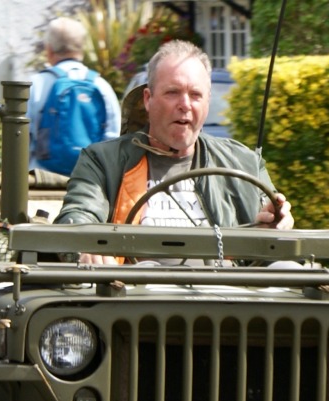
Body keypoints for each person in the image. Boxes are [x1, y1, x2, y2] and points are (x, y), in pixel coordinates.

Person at [55, 40, 293, 263]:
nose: (185, 104)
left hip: (225, 299)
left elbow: (272, 242)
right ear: (148, 99)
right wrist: (85, 249)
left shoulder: (243, 164)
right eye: (173, 92)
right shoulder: (103, 161)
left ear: (208, 101)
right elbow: (76, 218)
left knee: (291, 270)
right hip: (135, 298)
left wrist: (274, 227)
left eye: (195, 95)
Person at [26, 17, 120, 173]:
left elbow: (22, 137)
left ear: (49, 49)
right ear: (82, 48)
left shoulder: (35, 84)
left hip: (42, 179)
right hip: (89, 182)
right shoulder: (101, 86)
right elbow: (113, 139)